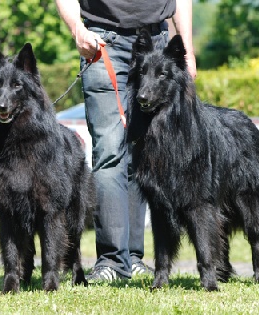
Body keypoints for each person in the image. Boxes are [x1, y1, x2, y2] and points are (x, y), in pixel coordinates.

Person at [55, 0, 197, 282]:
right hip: (102, 42)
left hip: (156, 42)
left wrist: (188, 51)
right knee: (110, 149)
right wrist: (77, 29)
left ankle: (133, 257)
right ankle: (110, 261)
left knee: (144, 154)